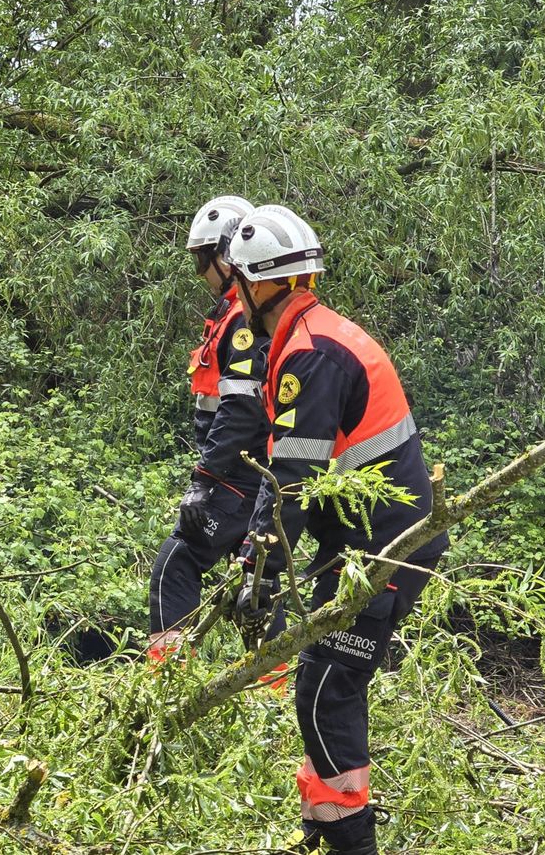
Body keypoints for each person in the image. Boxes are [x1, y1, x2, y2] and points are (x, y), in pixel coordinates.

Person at [223, 205, 447, 855]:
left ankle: (352, 842)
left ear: (261, 284)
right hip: (361, 543)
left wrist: (260, 571)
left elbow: (291, 479)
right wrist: (252, 563)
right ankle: (325, 826)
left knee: (324, 688)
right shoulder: (312, 336)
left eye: (238, 279)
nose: (234, 291)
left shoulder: (311, 354)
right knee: (322, 681)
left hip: (385, 549)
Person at [148, 195, 289, 663]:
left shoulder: (242, 325)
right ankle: (270, 689)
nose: (200, 273)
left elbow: (242, 411)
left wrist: (203, 481)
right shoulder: (230, 318)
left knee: (176, 562)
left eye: (202, 261)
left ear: (227, 257)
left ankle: (167, 683)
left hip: (240, 477)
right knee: (256, 589)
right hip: (239, 474)